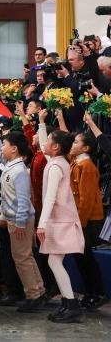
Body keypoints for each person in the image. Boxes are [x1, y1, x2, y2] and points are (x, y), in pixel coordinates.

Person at [37, 110, 85, 323]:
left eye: (48, 140)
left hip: (60, 221)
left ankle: (71, 304)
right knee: (54, 262)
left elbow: (50, 198)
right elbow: (41, 146)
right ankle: (68, 303)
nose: (44, 143)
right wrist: (41, 123)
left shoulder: (56, 166)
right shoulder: (57, 161)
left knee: (54, 263)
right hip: (59, 220)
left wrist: (42, 224)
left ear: (56, 147)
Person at [0, 131, 46, 312]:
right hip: (15, 219)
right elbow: (7, 197)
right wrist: (4, 217)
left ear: (14, 149)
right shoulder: (12, 166)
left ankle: (33, 295)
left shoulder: (19, 171)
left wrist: (19, 222)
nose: (2, 147)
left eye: (4, 144)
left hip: (21, 220)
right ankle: (38, 290)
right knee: (25, 256)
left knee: (21, 258)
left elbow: (24, 200)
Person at [69, 132, 106, 309]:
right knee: (81, 258)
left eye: (76, 142)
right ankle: (89, 292)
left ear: (86, 148)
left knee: (86, 257)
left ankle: (96, 293)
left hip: (87, 220)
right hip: (79, 218)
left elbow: (86, 198)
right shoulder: (76, 162)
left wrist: (80, 223)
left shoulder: (87, 166)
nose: (72, 144)